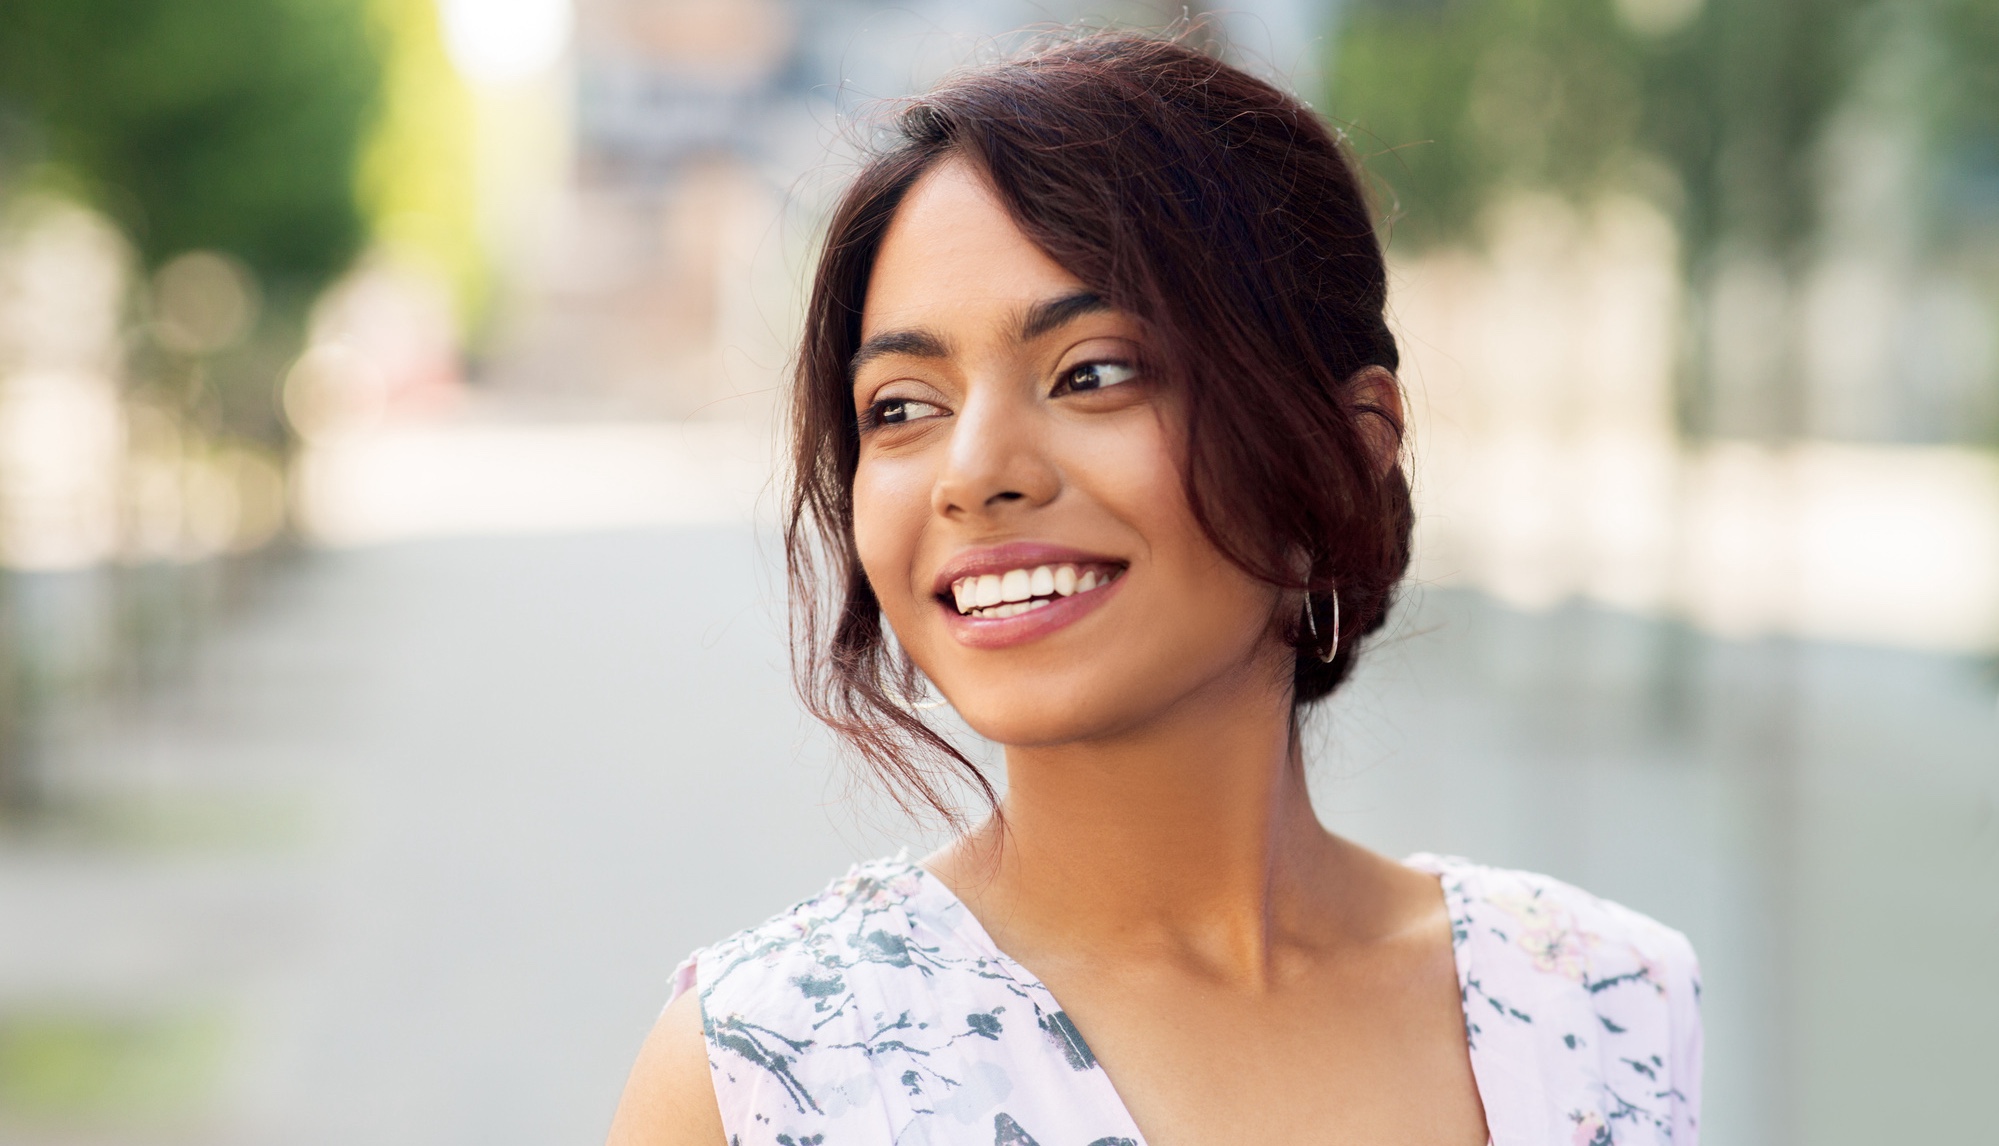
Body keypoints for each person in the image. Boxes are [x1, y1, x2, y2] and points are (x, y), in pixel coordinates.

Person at [608, 31, 1700, 1146]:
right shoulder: (771, 1069)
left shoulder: (1602, 1000)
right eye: (900, 405)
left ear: (1350, 441)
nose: (975, 473)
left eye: (1092, 374)